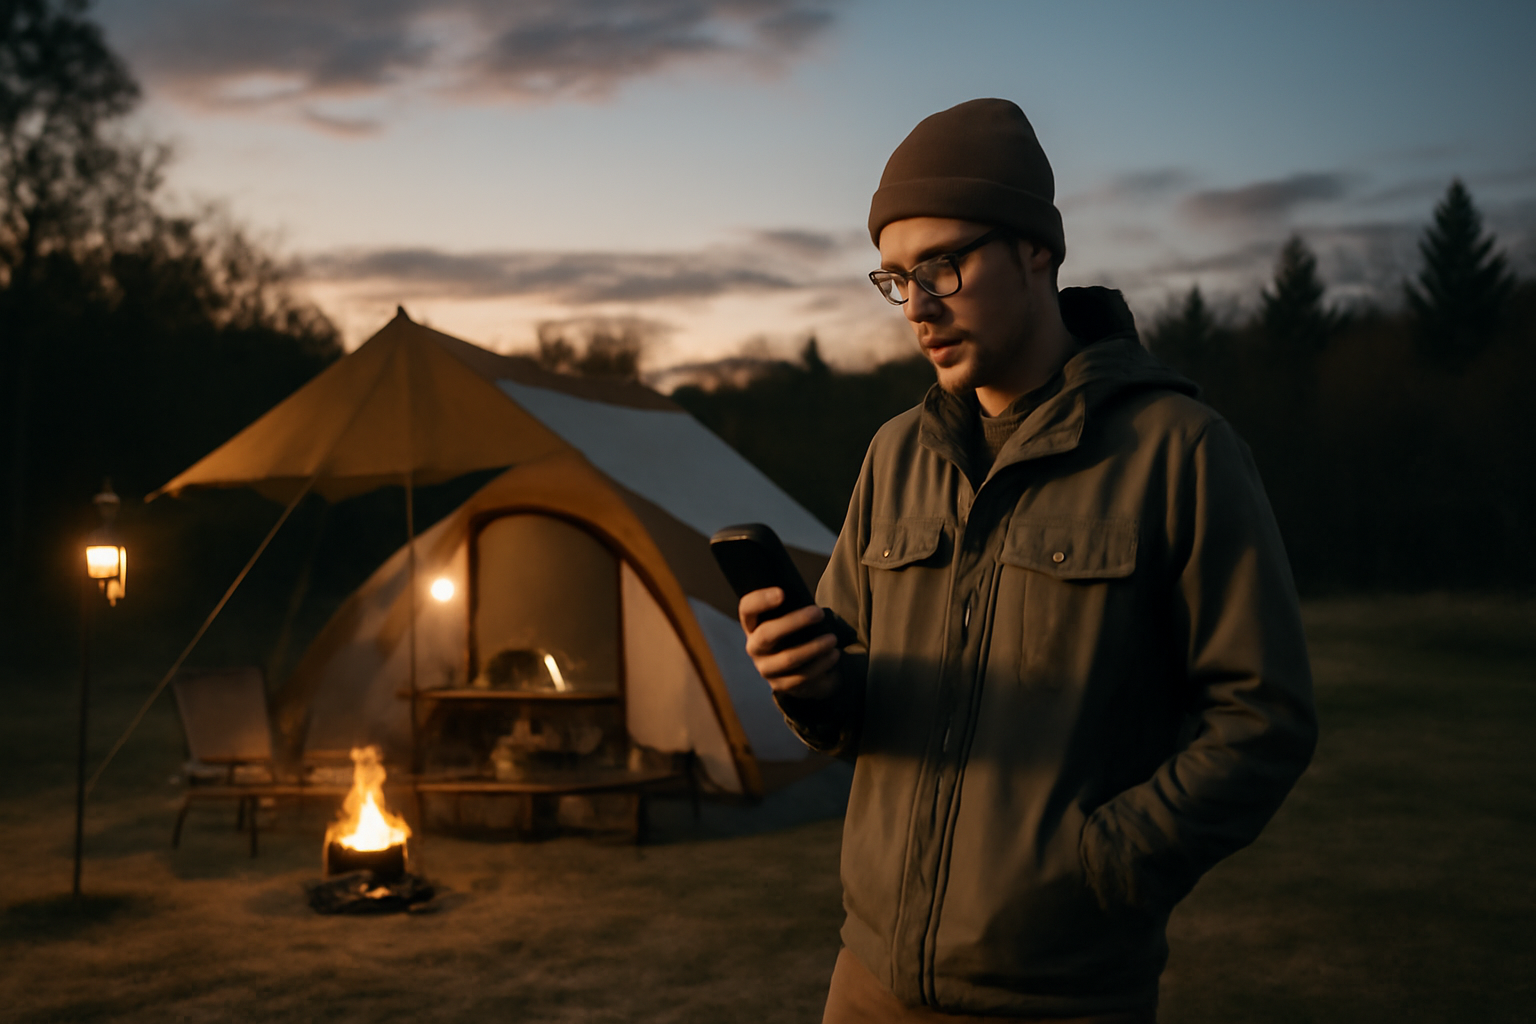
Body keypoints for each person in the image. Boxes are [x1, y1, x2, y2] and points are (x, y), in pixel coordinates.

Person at [736, 99, 1318, 1023]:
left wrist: (1103, 866)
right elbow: (856, 703)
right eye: (896, 279)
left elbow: (1262, 718)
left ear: (1036, 251)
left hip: (1061, 994)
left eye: (944, 266)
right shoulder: (895, 455)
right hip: (869, 981)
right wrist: (810, 682)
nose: (918, 308)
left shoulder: (1178, 450)